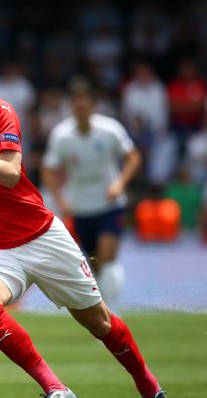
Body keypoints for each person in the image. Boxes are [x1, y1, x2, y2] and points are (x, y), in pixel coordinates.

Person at [0, 41, 165, 398]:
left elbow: (10, 173)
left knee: (98, 323)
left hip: (41, 236)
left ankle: (148, 385)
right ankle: (56, 389)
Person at [41, 80, 142, 309]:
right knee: (94, 263)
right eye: (76, 106)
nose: (80, 110)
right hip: (80, 208)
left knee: (107, 257)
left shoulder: (110, 130)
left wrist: (120, 182)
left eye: (84, 105)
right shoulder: (62, 135)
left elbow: (133, 157)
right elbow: (48, 170)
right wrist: (59, 199)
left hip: (110, 204)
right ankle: (104, 310)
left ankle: (115, 313)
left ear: (93, 107)